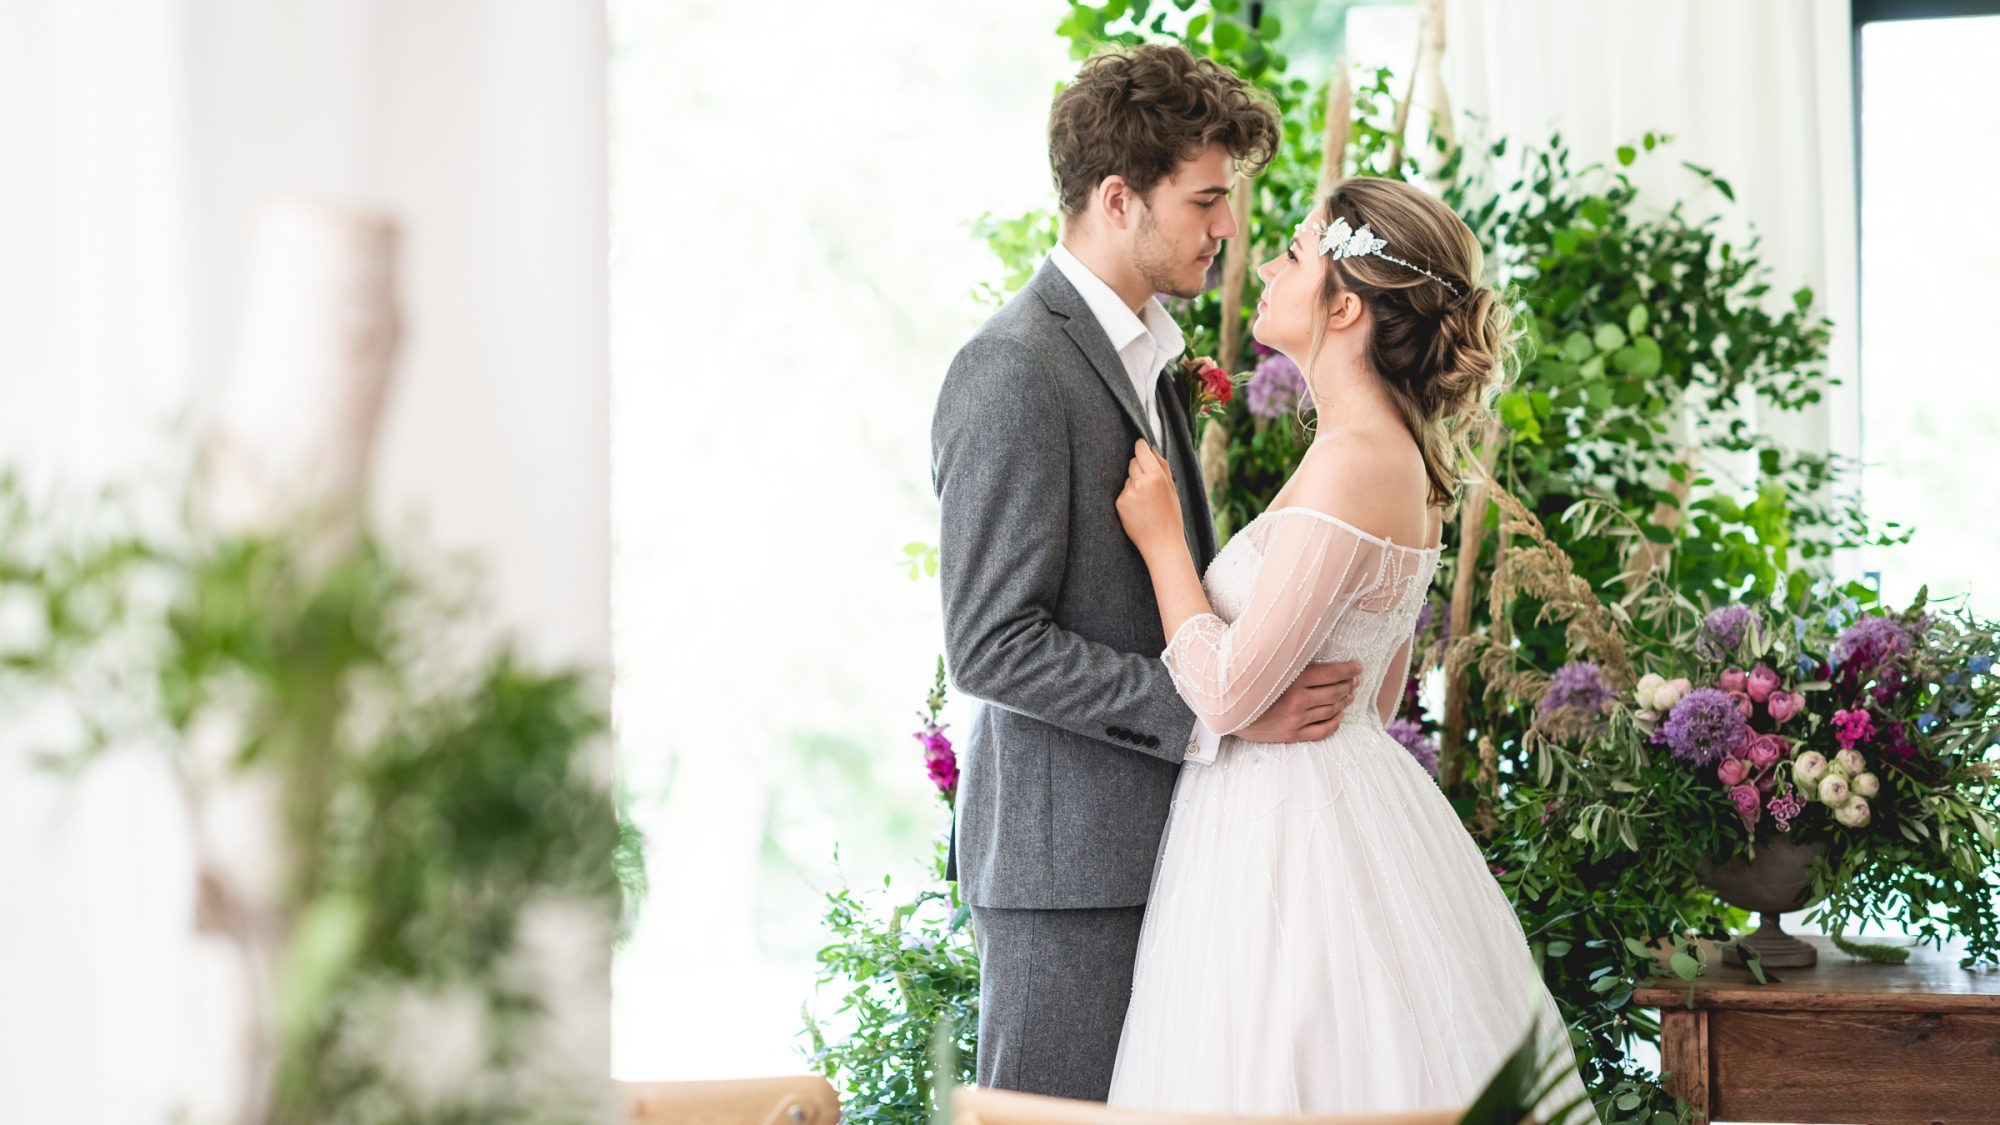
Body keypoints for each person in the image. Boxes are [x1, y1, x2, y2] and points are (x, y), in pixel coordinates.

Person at [1103, 175, 1596, 1120]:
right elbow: (1372, 698)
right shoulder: (1376, 451)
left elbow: (1221, 693)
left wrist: (1166, 543)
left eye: (1292, 253)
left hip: (1292, 841)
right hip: (1323, 811)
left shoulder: (1356, 459)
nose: (1270, 263)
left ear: (1344, 304)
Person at [929, 43, 1366, 1102]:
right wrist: (1214, 714)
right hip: (1065, 881)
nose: (1227, 229)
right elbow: (990, 644)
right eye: (1206, 200)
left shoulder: (1147, 364)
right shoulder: (1012, 368)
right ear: (1117, 198)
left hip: (1164, 863)